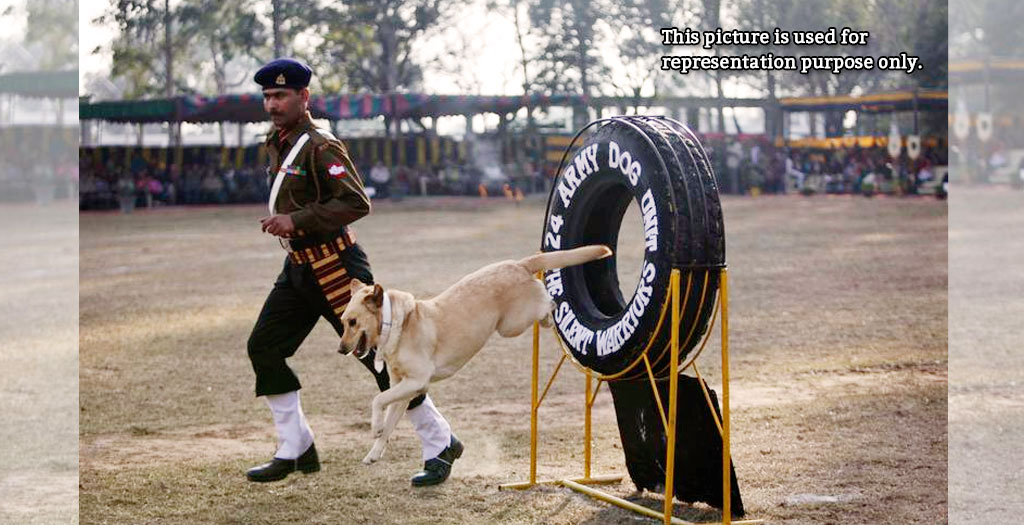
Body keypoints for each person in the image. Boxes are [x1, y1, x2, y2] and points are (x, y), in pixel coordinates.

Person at [244, 58, 462, 486]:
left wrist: (296, 220)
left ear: (304, 96)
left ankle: (441, 442)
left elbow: (356, 202)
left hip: (338, 269)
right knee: (264, 347)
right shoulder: (278, 141)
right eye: (267, 96)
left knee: (381, 360)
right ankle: (295, 447)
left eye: (281, 95)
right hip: (299, 268)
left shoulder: (320, 145)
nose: (272, 104)